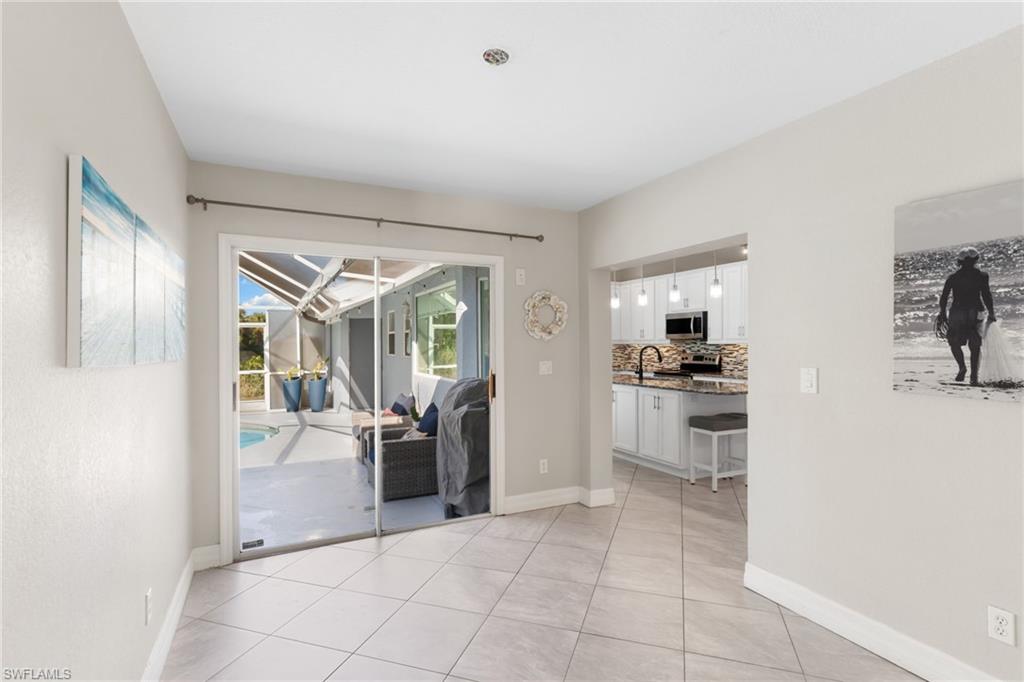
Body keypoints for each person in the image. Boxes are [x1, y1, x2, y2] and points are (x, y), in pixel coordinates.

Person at [938, 246, 997, 385]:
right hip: (975, 310)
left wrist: (942, 313)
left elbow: (944, 297)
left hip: (957, 311)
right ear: (976, 260)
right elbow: (986, 295)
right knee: (975, 343)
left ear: (960, 262)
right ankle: (974, 377)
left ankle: (962, 367)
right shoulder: (982, 276)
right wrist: (992, 313)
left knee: (953, 341)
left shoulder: (953, 277)